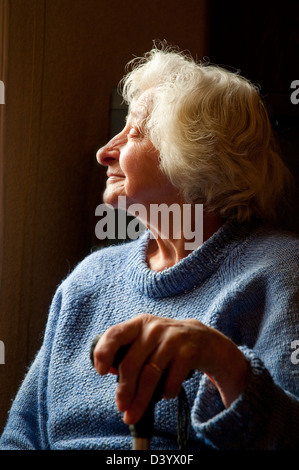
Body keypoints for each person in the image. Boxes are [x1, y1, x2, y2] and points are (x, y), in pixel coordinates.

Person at [1, 44, 299, 451]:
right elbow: (22, 436)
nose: (104, 152)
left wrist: (224, 362)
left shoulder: (280, 271)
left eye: (134, 132)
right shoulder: (89, 278)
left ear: (198, 155)